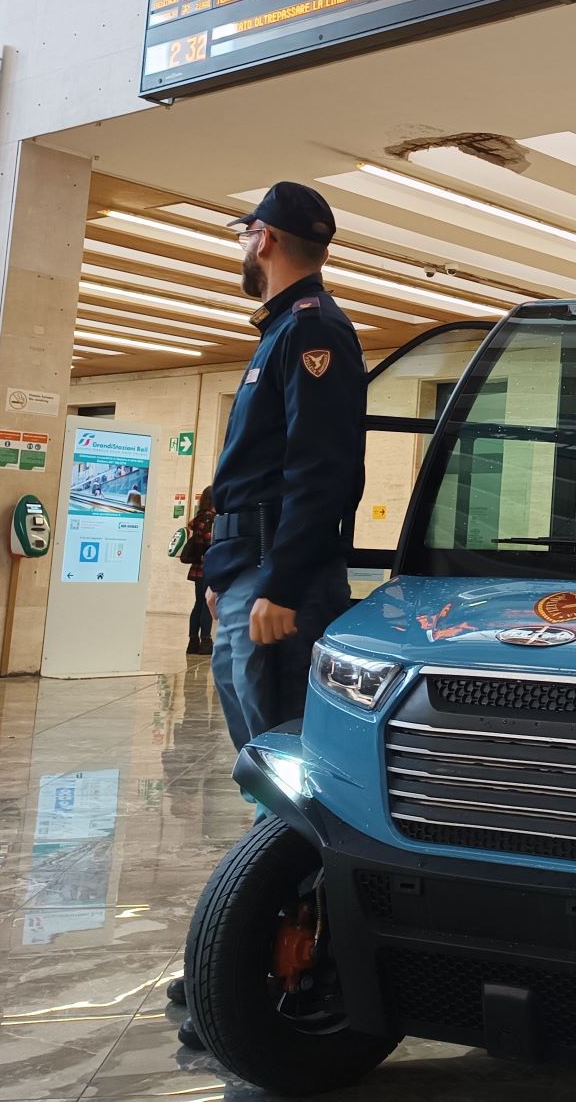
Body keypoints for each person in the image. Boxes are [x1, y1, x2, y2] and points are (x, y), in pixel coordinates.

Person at [171, 182, 366, 1041]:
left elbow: (323, 472)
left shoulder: (312, 330)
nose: (242, 247)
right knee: (270, 776)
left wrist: (281, 585)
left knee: (293, 780)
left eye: (245, 233)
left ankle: (288, 971)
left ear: (263, 240)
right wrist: (225, 568)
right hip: (251, 570)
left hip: (281, 584)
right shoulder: (285, 333)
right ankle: (246, 957)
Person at [180, 485, 216, 655]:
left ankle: (192, 641)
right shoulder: (210, 519)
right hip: (208, 566)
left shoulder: (199, 517)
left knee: (199, 603)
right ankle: (206, 641)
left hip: (198, 567)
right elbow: (210, 541)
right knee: (207, 605)